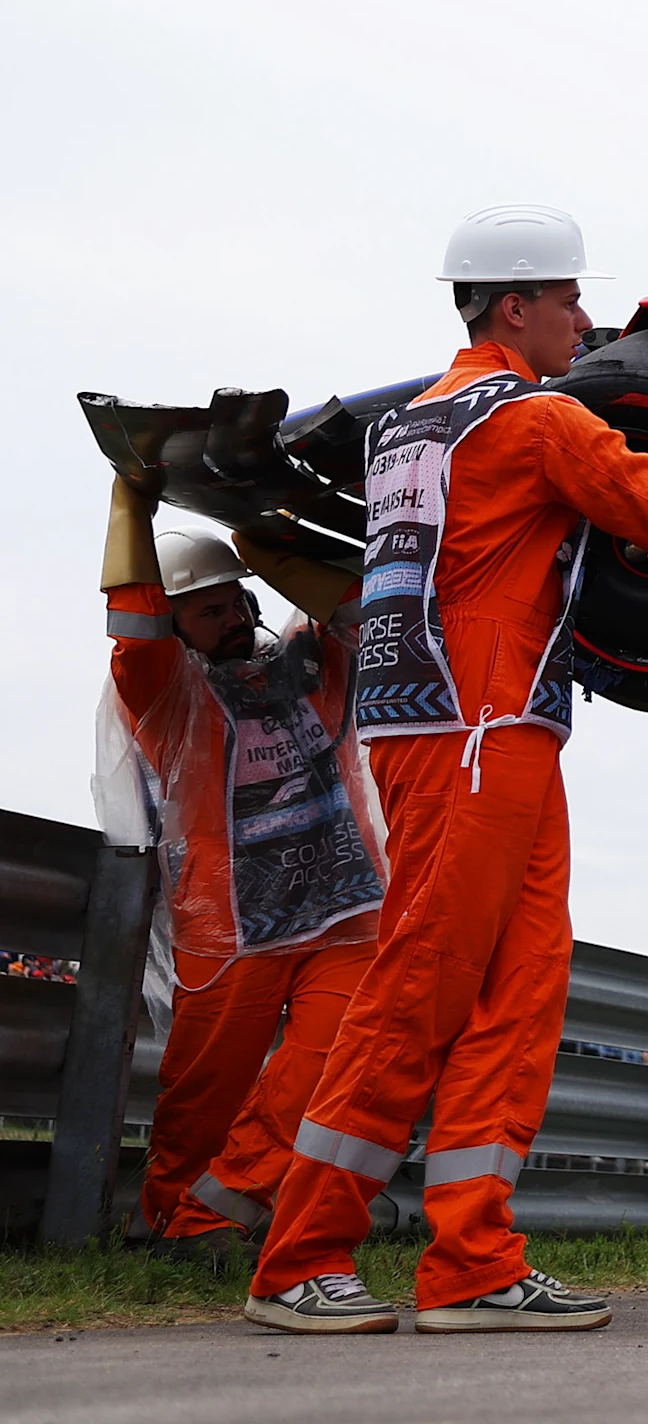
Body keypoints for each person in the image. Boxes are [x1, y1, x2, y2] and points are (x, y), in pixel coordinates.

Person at [249, 205, 648, 1337]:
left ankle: (473, 1258)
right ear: (514, 305)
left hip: (478, 724)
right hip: (475, 728)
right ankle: (297, 1255)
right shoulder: (536, 417)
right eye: (571, 298)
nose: (588, 317)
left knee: (521, 987)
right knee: (421, 983)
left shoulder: (406, 428)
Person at [98, 477, 383, 1261]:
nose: (228, 617)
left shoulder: (303, 663)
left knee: (333, 1062)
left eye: (235, 600)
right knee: (203, 1092)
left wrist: (271, 535)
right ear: (174, 618)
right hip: (231, 923)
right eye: (206, 607)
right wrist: (132, 507)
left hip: (344, 908)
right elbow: (134, 630)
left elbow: (359, 607)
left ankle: (220, 1213)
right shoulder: (161, 688)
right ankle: (165, 1217)